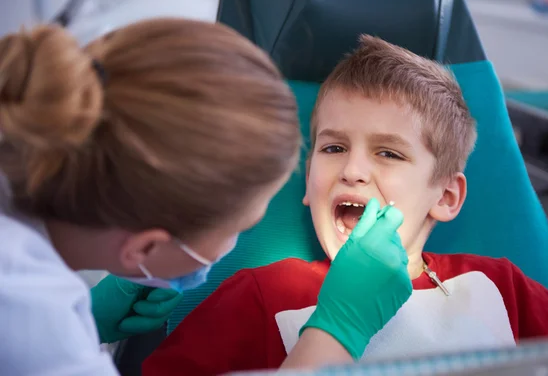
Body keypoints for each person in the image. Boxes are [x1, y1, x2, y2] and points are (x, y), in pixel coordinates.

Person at [143, 35, 548, 376]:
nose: (353, 171)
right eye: (333, 148)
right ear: (307, 181)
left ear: (445, 196)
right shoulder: (262, 296)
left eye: (388, 153)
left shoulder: (502, 287)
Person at [0, 19, 410, 374]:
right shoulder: (34, 322)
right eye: (239, 228)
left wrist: (86, 318)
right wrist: (338, 331)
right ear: (145, 247)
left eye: (389, 153)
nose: (353, 172)